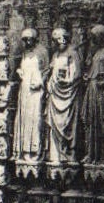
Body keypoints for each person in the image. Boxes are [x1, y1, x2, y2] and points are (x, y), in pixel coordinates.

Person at [45, 27, 81, 171]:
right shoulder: (55, 55)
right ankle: (55, 154)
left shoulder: (72, 53)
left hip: (69, 95)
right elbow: (51, 73)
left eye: (60, 39)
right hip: (55, 95)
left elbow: (76, 73)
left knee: (69, 124)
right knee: (54, 125)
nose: (59, 42)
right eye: (56, 40)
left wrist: (67, 80)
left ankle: (69, 153)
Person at [11, 26, 46, 172]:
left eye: (29, 39)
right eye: (24, 40)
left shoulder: (42, 52)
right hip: (24, 90)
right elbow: (22, 68)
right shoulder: (25, 54)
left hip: (36, 91)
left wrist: (40, 81)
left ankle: (34, 151)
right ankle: (23, 151)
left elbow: (47, 70)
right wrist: (20, 71)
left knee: (34, 118)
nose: (27, 42)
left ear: (35, 39)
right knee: (24, 119)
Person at [82, 23, 104, 167]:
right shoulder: (98, 52)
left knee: (102, 124)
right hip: (93, 91)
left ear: (100, 37)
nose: (92, 40)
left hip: (102, 94)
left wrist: (102, 83)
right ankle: (92, 153)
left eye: (94, 37)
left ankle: (103, 155)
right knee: (91, 123)